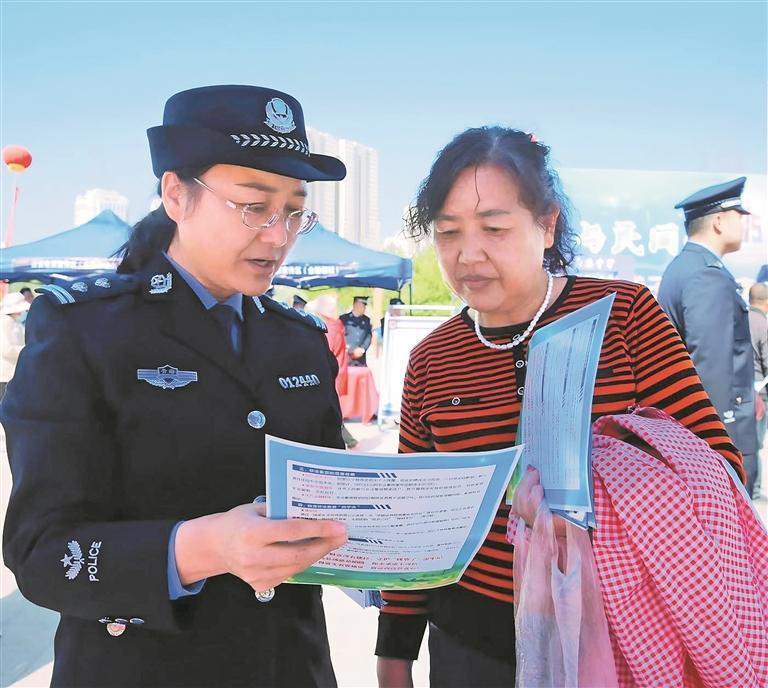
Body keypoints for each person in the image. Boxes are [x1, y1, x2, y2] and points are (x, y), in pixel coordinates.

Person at [1, 85, 350, 688]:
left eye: (295, 211)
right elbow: (41, 554)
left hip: (291, 665)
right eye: (253, 205)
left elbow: (326, 498)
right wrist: (204, 548)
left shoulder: (299, 339)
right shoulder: (85, 329)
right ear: (176, 195)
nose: (278, 235)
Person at [374, 127, 745, 688]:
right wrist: (395, 655)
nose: (468, 254)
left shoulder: (624, 314)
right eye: (447, 233)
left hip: (618, 637)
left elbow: (718, 468)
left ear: (546, 225)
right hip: (473, 644)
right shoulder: (433, 358)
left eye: (494, 228)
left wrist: (605, 484)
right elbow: (416, 521)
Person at [658, 177, 758, 496]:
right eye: (738, 216)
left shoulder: (685, 266)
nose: (743, 225)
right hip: (719, 434)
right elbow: (709, 363)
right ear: (718, 222)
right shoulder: (705, 274)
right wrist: (719, 440)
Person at [308, 294, 358, 448]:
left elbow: (325, 353)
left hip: (331, 373)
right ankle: (348, 439)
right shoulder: (337, 325)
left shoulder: (329, 328)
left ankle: (347, 440)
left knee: (329, 409)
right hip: (337, 370)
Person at [749, 281, 768, 498]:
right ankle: (754, 489)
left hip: (738, 392)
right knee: (756, 444)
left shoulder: (738, 319)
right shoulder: (763, 324)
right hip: (760, 394)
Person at [0, 292, 30, 399]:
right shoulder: (3, 323)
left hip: (14, 374)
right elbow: (7, 350)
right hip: (5, 376)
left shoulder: (15, 323)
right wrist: (27, 349)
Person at [340, 295, 372, 366]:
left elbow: (368, 336)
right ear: (356, 305)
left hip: (360, 358)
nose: (364, 308)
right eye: (362, 306)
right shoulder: (343, 319)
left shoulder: (366, 320)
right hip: (346, 356)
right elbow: (339, 336)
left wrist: (362, 349)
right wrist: (348, 349)